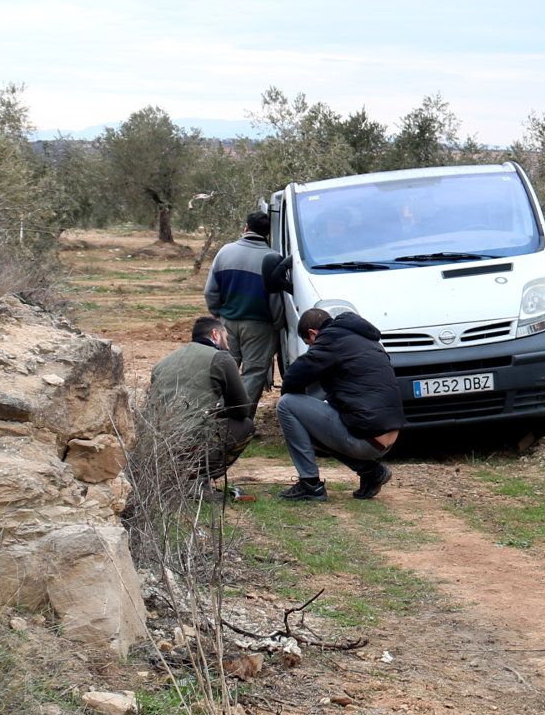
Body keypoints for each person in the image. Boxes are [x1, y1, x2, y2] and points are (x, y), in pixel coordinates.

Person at [274, 306, 403, 502]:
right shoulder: (361, 337)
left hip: (366, 440)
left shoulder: (329, 340)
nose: (312, 349)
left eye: (310, 344)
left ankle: (310, 485)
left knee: (286, 404)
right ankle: (371, 472)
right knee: (311, 418)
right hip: (387, 435)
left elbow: (293, 376)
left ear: (312, 333)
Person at [145, 315, 256, 489]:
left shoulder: (163, 362)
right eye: (226, 337)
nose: (227, 342)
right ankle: (197, 479)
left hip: (157, 445)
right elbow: (242, 409)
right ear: (215, 334)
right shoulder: (221, 358)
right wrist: (222, 411)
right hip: (189, 443)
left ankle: (175, 476)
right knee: (245, 425)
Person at [203, 210, 280, 406]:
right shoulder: (272, 258)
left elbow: (210, 292)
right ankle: (240, 423)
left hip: (227, 323)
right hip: (259, 327)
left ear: (246, 228)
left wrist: (220, 315)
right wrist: (278, 325)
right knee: (253, 374)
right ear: (267, 233)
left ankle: (216, 415)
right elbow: (276, 302)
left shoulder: (225, 251)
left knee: (224, 369)